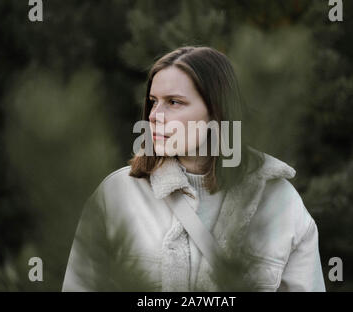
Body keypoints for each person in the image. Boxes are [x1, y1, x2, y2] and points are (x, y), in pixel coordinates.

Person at [62, 46, 326, 292]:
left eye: (174, 102)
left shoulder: (280, 202)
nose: (154, 114)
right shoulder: (115, 195)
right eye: (153, 101)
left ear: (217, 111)